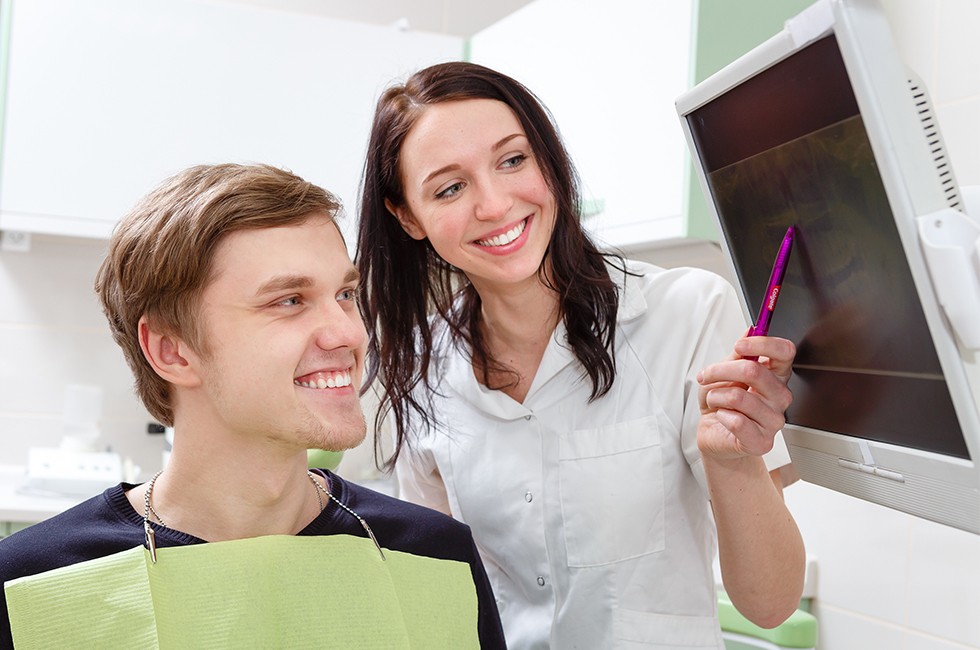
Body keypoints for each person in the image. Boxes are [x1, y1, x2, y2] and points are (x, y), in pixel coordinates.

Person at [357, 61, 806, 649]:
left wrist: (731, 462)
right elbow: (442, 597)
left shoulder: (686, 313)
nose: (494, 204)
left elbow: (770, 604)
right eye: (450, 187)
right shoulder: (422, 369)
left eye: (513, 159)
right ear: (408, 216)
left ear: (549, 160)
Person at [0, 163, 505, 648]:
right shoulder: (30, 586)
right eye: (288, 300)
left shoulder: (439, 557)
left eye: (345, 293)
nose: (349, 332)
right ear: (172, 350)